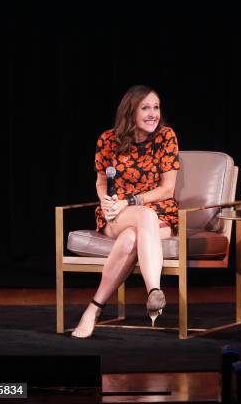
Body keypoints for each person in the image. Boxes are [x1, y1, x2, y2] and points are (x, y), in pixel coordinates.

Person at [71, 85, 180, 338]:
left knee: (136, 231)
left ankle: (93, 309)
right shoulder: (108, 140)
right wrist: (107, 201)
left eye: (156, 107)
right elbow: (100, 182)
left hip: (159, 213)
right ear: (130, 113)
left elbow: (167, 189)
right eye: (146, 108)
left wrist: (130, 200)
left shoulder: (166, 137)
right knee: (142, 216)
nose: (153, 113)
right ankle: (153, 290)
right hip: (117, 214)